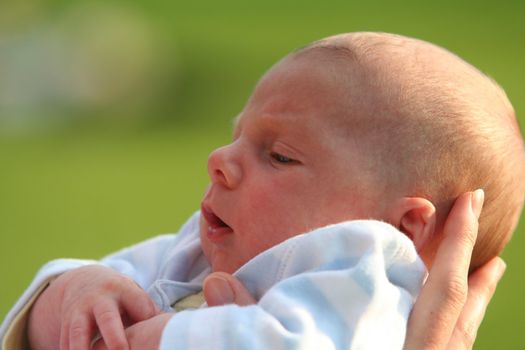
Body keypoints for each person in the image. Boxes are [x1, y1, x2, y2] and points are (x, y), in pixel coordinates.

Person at [1, 32, 524, 349]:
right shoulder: (203, 253)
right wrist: (73, 294)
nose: (220, 162)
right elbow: (66, 306)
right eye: (236, 138)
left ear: (400, 230)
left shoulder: (367, 285)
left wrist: (149, 338)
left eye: (278, 155)